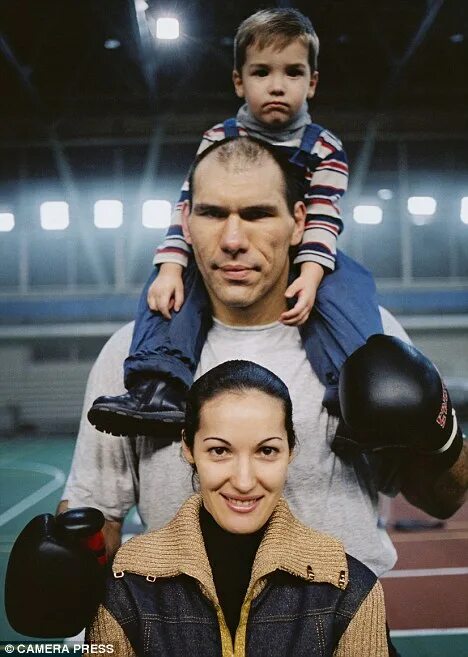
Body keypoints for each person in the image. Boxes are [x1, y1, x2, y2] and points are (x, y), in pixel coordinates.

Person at [61, 137, 467, 580]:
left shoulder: (366, 339)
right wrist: (67, 567)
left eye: (258, 214)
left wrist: (441, 437)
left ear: (299, 223)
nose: (233, 240)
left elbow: (444, 499)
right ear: (186, 222)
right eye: (212, 214)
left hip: (343, 619)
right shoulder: (137, 356)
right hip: (181, 620)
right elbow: (97, 514)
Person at [87, 7, 384, 438]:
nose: (277, 85)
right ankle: (158, 387)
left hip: (304, 254)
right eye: (261, 72)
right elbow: (188, 206)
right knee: (166, 293)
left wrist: (312, 274)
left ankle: (359, 403)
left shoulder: (325, 148)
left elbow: (323, 216)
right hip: (228, 260)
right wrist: (170, 266)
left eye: (293, 72)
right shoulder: (218, 138)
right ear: (239, 82)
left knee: (351, 294)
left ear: (312, 83)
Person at [87, 360, 390, 656]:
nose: (244, 482)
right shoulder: (127, 583)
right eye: (219, 450)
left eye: (267, 450)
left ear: (290, 451)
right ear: (188, 448)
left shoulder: (350, 589)